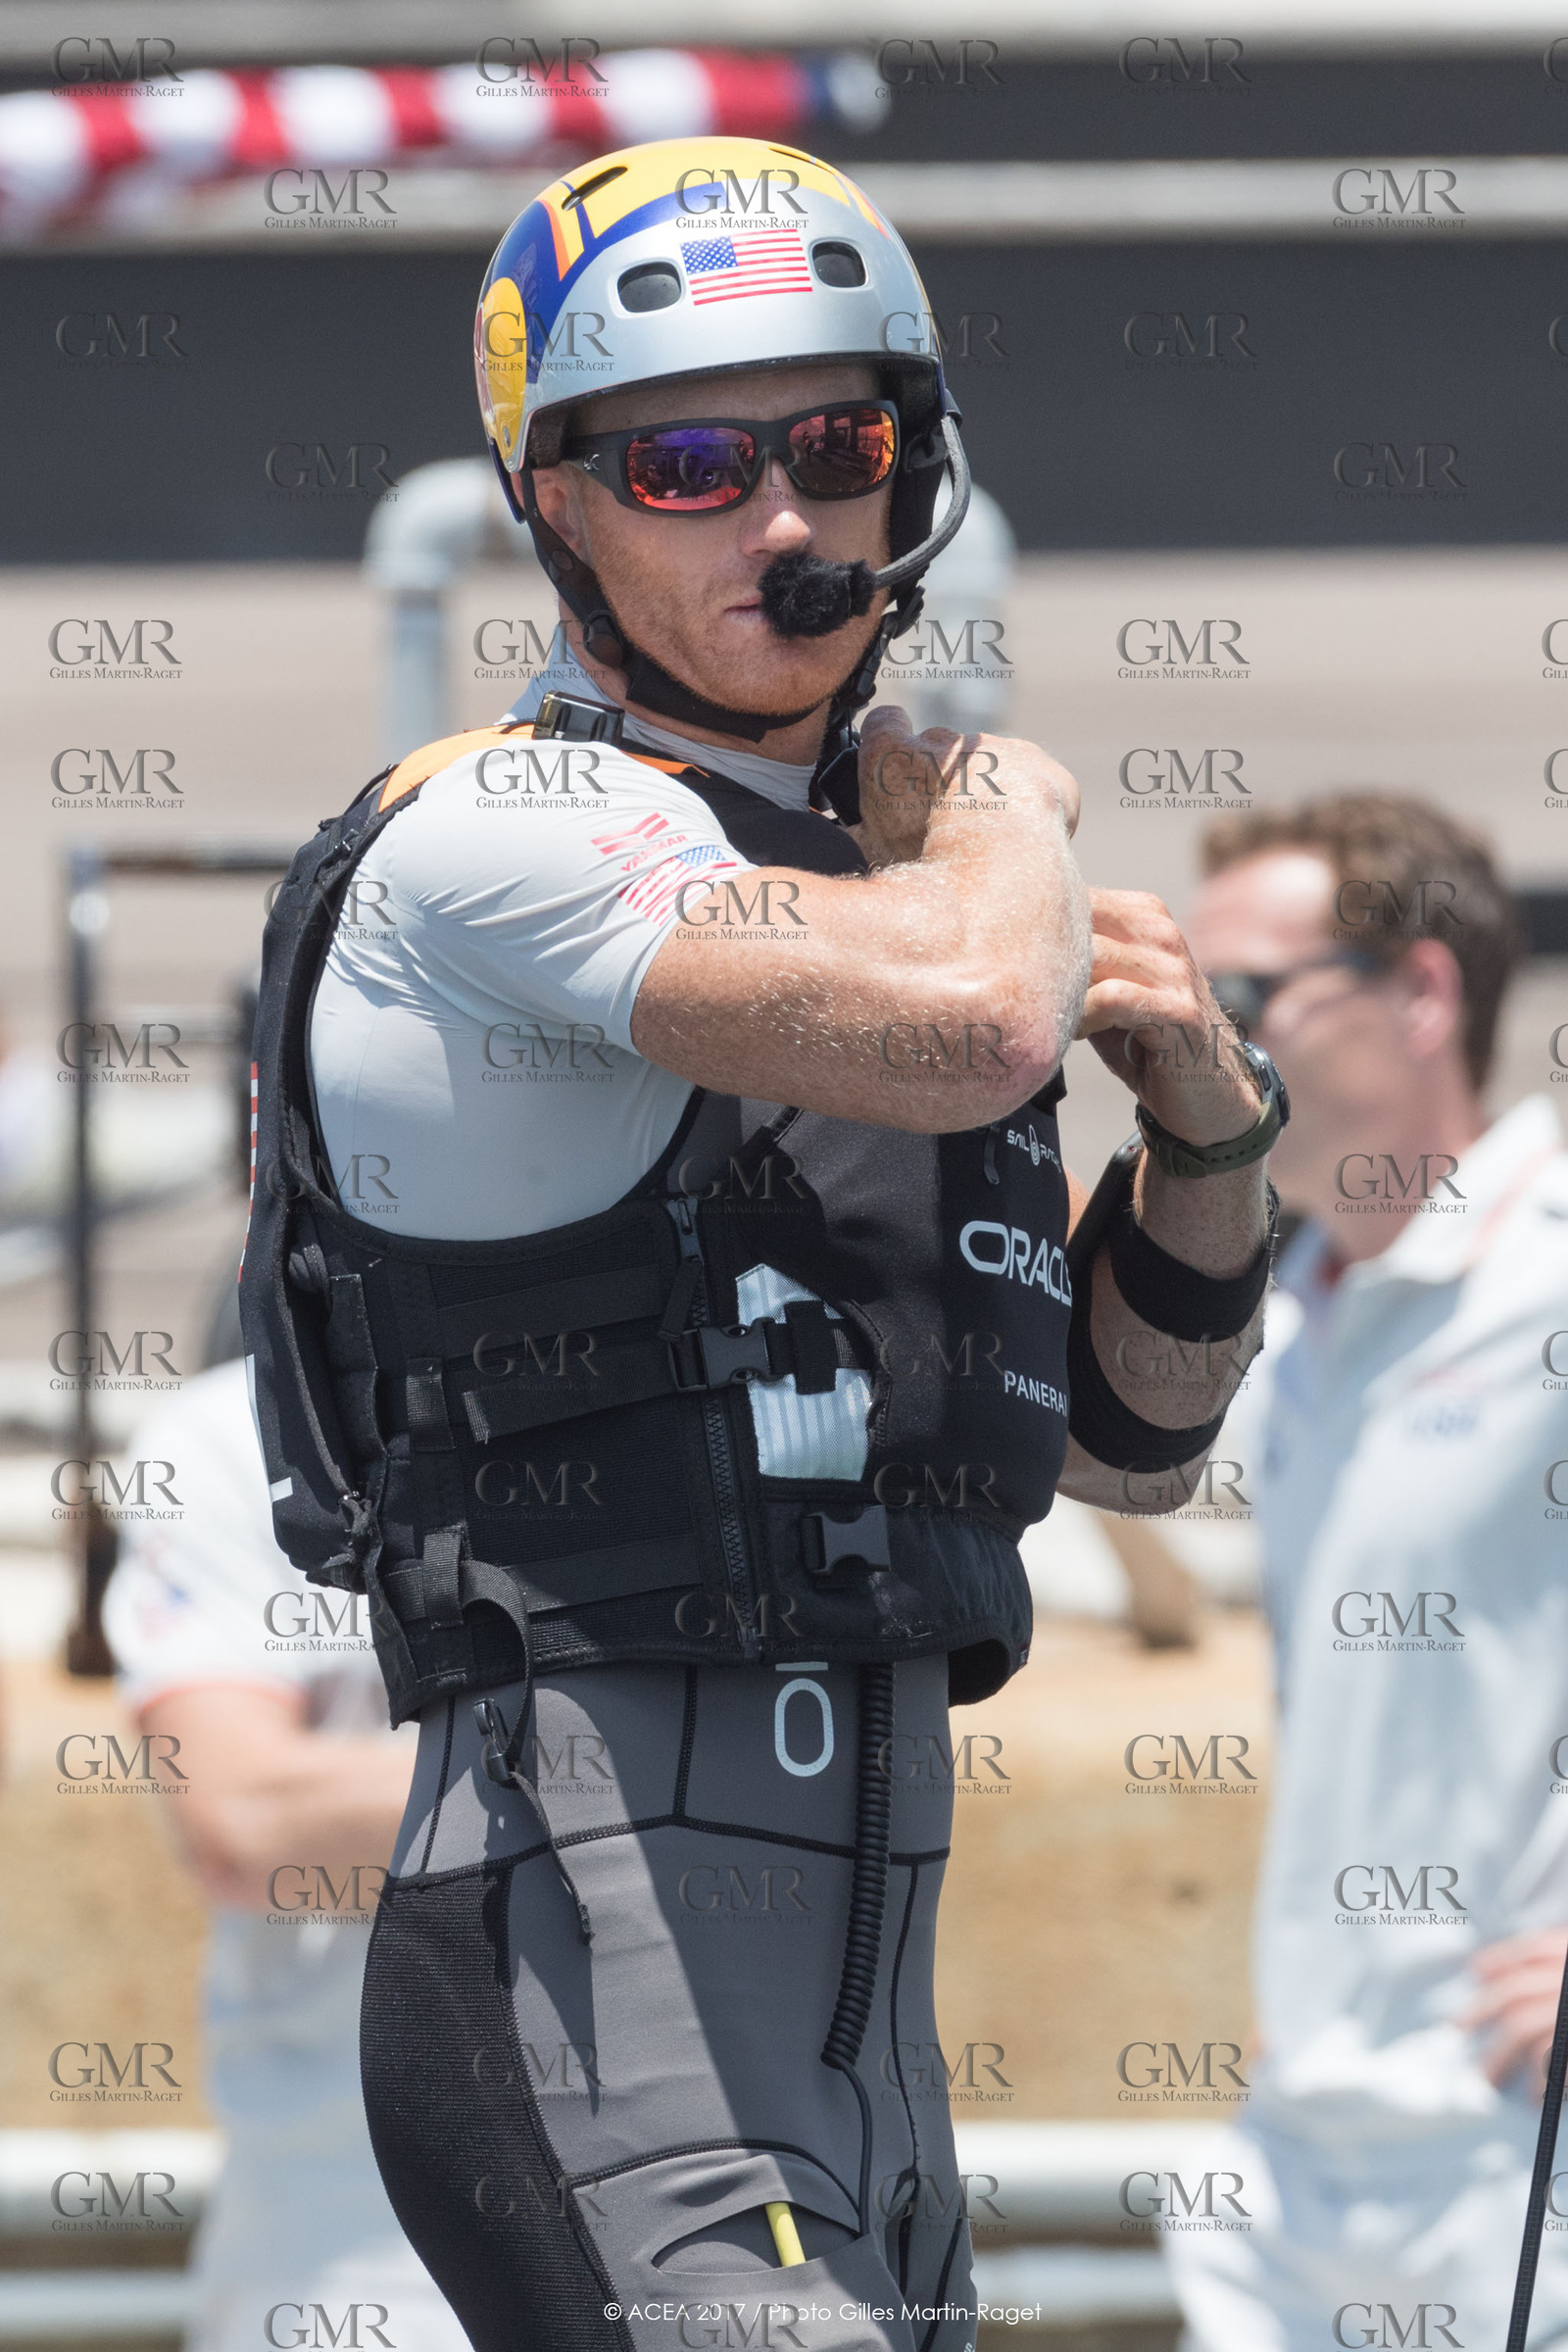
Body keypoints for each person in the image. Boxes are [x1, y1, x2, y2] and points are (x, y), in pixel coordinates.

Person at [240, 135, 1286, 2352]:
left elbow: (1128, 1444)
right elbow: (981, 1011)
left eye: (839, 445)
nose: (787, 520)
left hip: (867, 2067)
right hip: (595, 1976)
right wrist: (995, 804)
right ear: (558, 508)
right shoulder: (499, 837)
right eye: (692, 463)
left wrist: (1205, 1121)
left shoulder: (883, 894)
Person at [1166, 793, 1568, 2351]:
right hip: (1301, 2156)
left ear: (1422, 993)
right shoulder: (1286, 1324)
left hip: (1517, 2151)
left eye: (1247, 1000)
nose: (1203, 1044)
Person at [103, 1340, 470, 2352]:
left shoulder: (738, 1396)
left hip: (753, 2221)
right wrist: (644, 1770)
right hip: (356, 2256)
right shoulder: (235, 1430)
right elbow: (243, 1822)